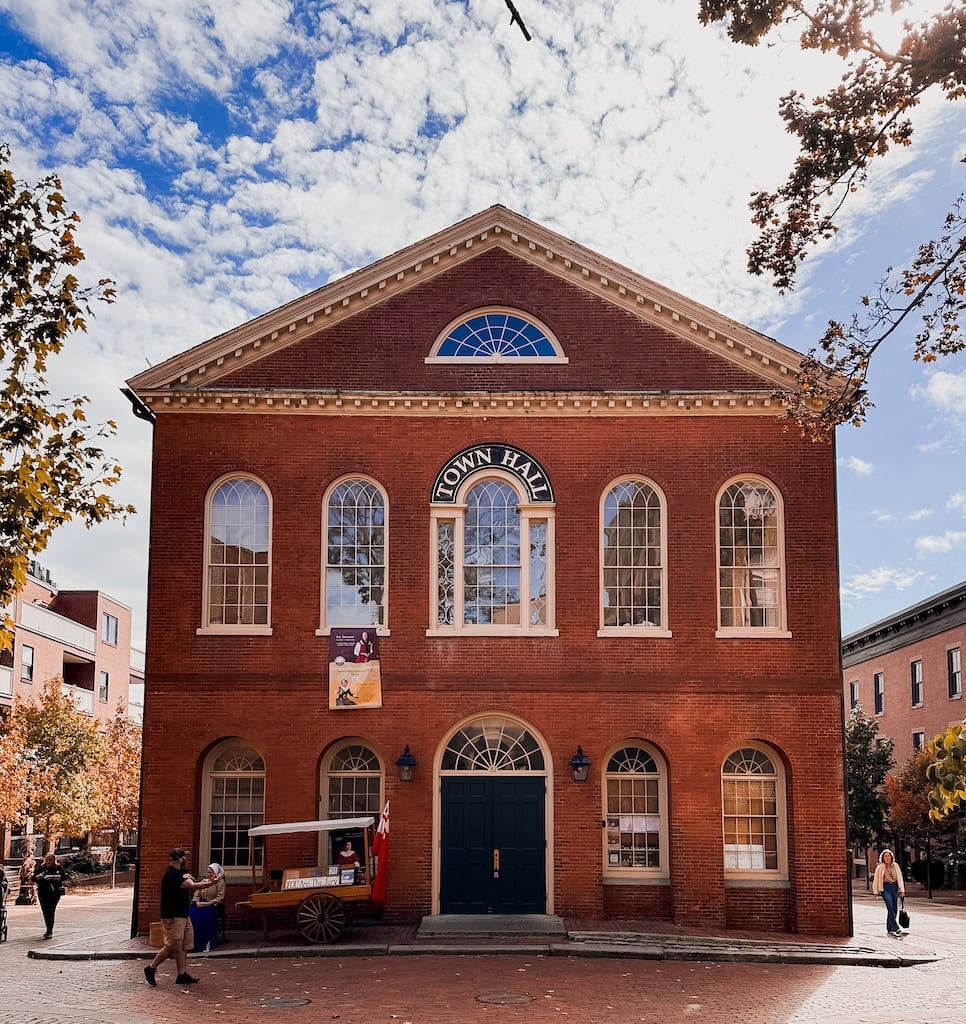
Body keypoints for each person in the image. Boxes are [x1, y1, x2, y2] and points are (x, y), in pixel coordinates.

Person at [144, 849, 212, 987]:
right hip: (173, 915)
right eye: (183, 857)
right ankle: (151, 968)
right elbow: (192, 885)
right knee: (173, 945)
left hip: (183, 914)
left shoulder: (181, 872)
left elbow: (190, 880)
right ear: (180, 859)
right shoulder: (172, 874)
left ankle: (182, 974)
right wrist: (211, 883)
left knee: (184, 945)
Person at [188, 863, 225, 952]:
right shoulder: (203, 881)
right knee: (191, 916)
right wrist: (197, 902)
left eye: (211, 873)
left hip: (211, 906)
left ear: (216, 873)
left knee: (203, 918)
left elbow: (220, 897)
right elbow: (196, 894)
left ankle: (206, 942)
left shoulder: (220, 882)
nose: (209, 875)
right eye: (208, 873)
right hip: (199, 904)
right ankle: (193, 943)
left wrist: (208, 903)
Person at [872, 848, 906, 937]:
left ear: (892, 857)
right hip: (885, 888)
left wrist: (902, 890)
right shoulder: (880, 868)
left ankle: (889, 928)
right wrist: (875, 891)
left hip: (894, 887)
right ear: (882, 858)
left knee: (894, 908)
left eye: (889, 856)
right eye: (885, 856)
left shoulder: (896, 866)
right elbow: (876, 880)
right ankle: (895, 927)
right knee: (890, 907)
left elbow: (900, 878)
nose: (887, 857)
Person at [33, 853, 66, 939]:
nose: (48, 862)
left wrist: (53, 877)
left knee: (51, 910)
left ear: (54, 860)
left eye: (50, 860)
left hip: (54, 893)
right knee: (45, 911)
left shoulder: (58, 868)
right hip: (43, 892)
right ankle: (48, 928)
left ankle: (49, 930)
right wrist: (39, 877)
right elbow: (33, 878)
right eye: (47, 860)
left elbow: (64, 877)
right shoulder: (42, 868)